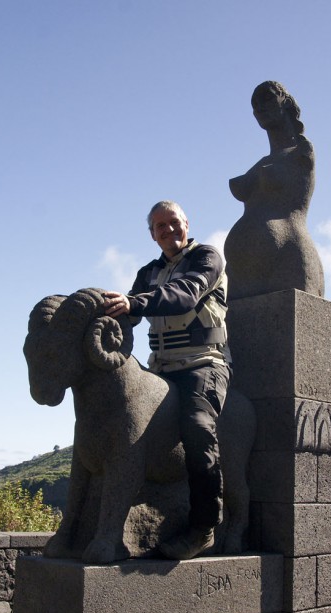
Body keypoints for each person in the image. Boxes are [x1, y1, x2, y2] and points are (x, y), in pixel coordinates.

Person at [102, 200, 231, 560]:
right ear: (152, 235)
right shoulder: (148, 272)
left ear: (187, 223)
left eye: (174, 222)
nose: (169, 230)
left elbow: (184, 295)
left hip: (204, 365)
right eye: (160, 227)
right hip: (159, 368)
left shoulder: (206, 257)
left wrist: (133, 303)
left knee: (196, 425)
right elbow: (127, 314)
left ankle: (204, 528)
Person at [225, 80, 324, 299]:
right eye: (254, 105)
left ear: (285, 101)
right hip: (241, 271)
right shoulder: (261, 162)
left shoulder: (302, 151)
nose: (259, 107)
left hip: (288, 255)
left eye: (267, 98)